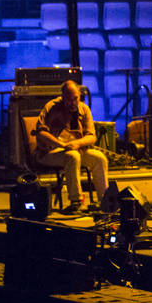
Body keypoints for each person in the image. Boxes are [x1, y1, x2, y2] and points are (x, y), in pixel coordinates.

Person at [33, 80, 108, 213]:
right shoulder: (51, 107)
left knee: (99, 158)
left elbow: (92, 136)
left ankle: (106, 201)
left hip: (75, 148)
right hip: (50, 151)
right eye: (69, 100)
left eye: (75, 99)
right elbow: (41, 133)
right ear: (62, 97)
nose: (72, 103)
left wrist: (77, 143)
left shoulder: (83, 108)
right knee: (72, 156)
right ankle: (76, 201)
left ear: (79, 95)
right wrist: (61, 144)